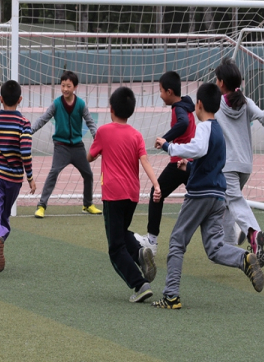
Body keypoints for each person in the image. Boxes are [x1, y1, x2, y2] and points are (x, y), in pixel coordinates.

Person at [152, 82, 264, 309]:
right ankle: (243, 259)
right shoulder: (220, 132)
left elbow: (199, 149)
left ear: (199, 104)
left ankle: (171, 296)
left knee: (176, 242)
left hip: (200, 195)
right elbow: (211, 162)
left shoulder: (204, 127)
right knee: (215, 248)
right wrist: (189, 168)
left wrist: (169, 147)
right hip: (217, 196)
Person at [87, 86, 162, 303]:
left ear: (111, 108)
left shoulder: (103, 132)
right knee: (122, 231)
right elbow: (145, 161)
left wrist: (95, 151)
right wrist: (156, 185)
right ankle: (139, 252)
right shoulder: (136, 135)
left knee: (115, 247)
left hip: (112, 194)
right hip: (132, 195)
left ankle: (140, 284)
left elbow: (90, 157)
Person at [214, 57, 264, 267]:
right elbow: (263, 117)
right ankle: (228, 245)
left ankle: (253, 233)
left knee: (235, 202)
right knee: (226, 203)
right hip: (245, 165)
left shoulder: (216, 104)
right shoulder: (246, 102)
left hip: (228, 165)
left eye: (217, 79)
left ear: (221, 83)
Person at [134, 71, 196, 255]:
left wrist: (165, 140)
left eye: (161, 91)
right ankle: (231, 230)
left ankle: (151, 241)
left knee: (156, 192)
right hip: (192, 163)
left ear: (169, 92)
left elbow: (183, 124)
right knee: (203, 199)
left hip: (180, 163)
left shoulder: (179, 109)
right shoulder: (187, 104)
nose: (160, 95)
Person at [0, 80, 36, 272]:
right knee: (4, 218)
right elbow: (25, 153)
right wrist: (30, 177)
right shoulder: (24, 123)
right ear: (20, 99)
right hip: (14, 179)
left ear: (0, 99)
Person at [32, 70, 100, 218]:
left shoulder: (81, 104)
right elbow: (43, 119)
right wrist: (29, 131)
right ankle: (41, 206)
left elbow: (90, 122)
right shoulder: (56, 104)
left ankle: (87, 204)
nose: (65, 89)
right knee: (53, 172)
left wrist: (97, 137)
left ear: (75, 87)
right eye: (63, 85)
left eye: (68, 86)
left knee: (88, 174)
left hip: (77, 147)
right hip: (61, 147)